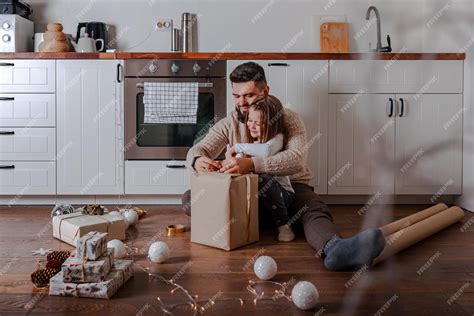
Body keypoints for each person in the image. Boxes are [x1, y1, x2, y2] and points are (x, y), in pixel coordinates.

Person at [182, 62, 385, 271]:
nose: (241, 103)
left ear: (265, 91)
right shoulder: (229, 122)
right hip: (245, 192)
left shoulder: (288, 118)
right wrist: (198, 161)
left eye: (249, 95)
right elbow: (197, 150)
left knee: (312, 208)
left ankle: (334, 249)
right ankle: (274, 221)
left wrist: (251, 164)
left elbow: (296, 158)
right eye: (236, 96)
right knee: (191, 198)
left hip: (291, 189)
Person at [227, 94, 295, 242]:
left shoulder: (277, 139)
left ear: (273, 124)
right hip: (263, 199)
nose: (252, 126)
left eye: (259, 123)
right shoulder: (256, 143)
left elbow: (265, 151)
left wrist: (238, 146)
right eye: (250, 120)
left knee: (264, 178)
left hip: (284, 197)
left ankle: (284, 225)